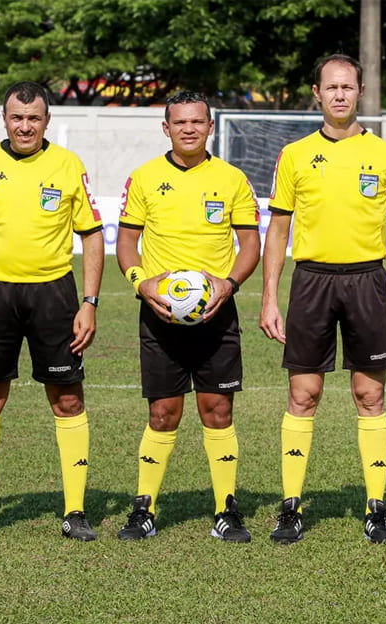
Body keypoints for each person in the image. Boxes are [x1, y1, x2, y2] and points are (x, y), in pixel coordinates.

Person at [259, 54, 386, 544]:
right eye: (331, 88)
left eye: (348, 87)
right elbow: (279, 229)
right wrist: (270, 296)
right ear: (317, 93)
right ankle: (290, 507)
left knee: (369, 395)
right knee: (303, 394)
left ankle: (375, 507)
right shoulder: (294, 155)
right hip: (311, 282)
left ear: (361, 91)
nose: (340, 95)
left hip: (368, 282)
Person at [0, 81, 105, 541]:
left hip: (54, 295)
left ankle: (75, 511)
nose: (25, 126)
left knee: (68, 399)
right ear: (5, 119)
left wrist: (89, 303)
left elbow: (92, 235)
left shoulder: (68, 166)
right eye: (17, 117)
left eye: (34, 118)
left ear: (47, 121)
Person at [115, 91, 261, 543]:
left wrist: (229, 284)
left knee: (217, 409)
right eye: (180, 123)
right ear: (166, 128)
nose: (189, 129)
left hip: (217, 312)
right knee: (163, 411)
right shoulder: (143, 178)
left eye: (197, 122)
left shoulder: (233, 179)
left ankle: (226, 508)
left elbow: (251, 245)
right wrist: (141, 283)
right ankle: (144, 508)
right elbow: (125, 242)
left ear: (211, 126)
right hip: (160, 314)